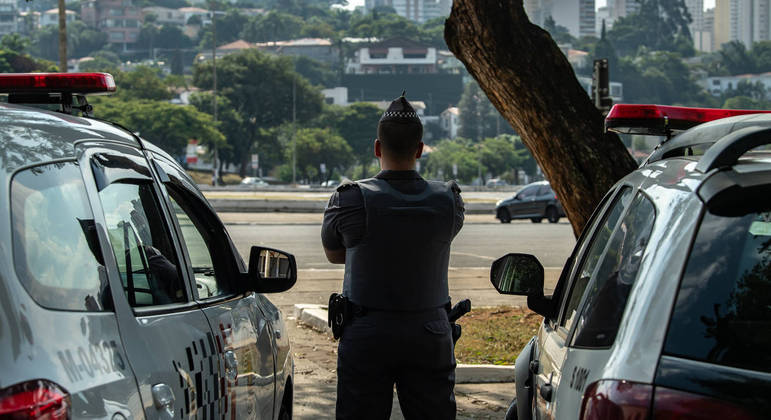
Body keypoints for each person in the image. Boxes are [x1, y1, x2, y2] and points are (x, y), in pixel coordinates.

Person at [321, 92, 465, 419]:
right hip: (430, 332)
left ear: (376, 148)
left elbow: (334, 253)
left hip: (367, 331)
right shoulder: (449, 200)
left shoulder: (349, 198)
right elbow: (435, 242)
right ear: (419, 149)